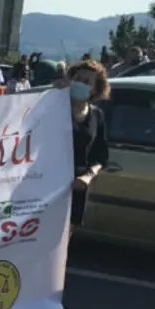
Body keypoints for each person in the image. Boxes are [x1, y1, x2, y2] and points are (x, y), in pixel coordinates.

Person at [56, 59, 110, 226]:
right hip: (48, 184)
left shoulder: (97, 116)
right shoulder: (53, 108)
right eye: (77, 79)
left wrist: (88, 176)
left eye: (87, 82)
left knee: (65, 240)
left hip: (76, 188)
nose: (80, 83)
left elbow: (101, 157)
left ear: (95, 89)